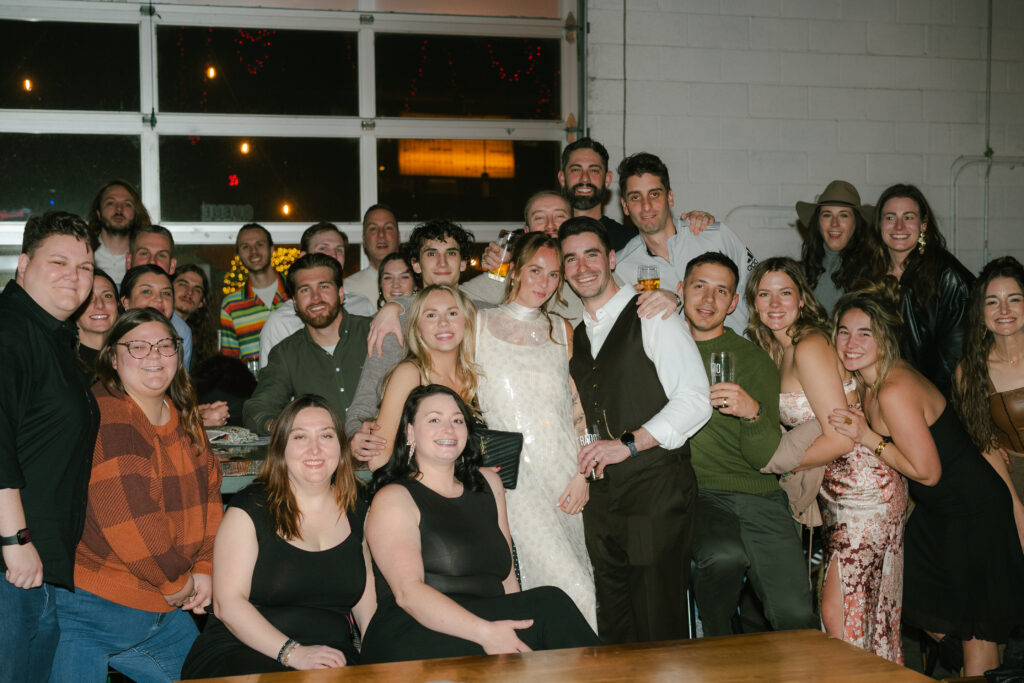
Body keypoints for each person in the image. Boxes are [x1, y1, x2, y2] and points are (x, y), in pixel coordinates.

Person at [828, 287, 1024, 676]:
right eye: (844, 332)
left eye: (865, 332)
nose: (852, 342)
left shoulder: (894, 389)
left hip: (973, 511)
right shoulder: (868, 382)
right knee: (920, 600)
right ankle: (989, 665)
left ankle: (984, 664)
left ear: (885, 336)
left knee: (973, 629)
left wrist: (868, 437)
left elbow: (928, 471)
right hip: (940, 513)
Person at [360, 385, 600, 663]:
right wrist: (486, 633)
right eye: (434, 419)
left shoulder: (488, 484)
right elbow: (408, 594)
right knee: (550, 605)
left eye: (457, 420)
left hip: (485, 620)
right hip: (414, 630)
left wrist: (515, 639)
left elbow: (508, 580)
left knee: (548, 606)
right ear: (411, 432)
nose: (448, 429)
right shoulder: (394, 497)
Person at [746, 257, 906, 663]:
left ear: (802, 299)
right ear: (753, 303)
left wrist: (776, 466)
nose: (775, 302)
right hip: (837, 493)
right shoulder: (780, 348)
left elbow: (838, 439)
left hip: (863, 489)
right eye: (765, 294)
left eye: (786, 292)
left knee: (841, 616)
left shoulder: (810, 345)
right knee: (866, 616)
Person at [49, 308, 222, 682]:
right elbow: (129, 518)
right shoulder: (110, 414)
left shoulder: (183, 414)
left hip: (160, 607)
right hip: (92, 608)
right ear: (113, 356)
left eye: (164, 345)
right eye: (138, 347)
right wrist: (179, 581)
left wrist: (206, 567)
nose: (155, 356)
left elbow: (211, 496)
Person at [560, 216, 711, 644]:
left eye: (591, 254)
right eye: (570, 259)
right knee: (614, 621)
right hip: (603, 501)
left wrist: (628, 444)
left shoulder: (653, 314)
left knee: (655, 620)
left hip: (652, 493)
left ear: (611, 258)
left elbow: (695, 399)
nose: (582, 267)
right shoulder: (579, 334)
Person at [181, 395, 375, 677]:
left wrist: (382, 663)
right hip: (242, 650)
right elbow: (227, 605)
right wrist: (295, 654)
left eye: (326, 435)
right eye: (299, 437)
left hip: (329, 656)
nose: (315, 449)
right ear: (281, 448)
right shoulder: (250, 509)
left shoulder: (358, 510)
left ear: (341, 446)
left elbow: (367, 608)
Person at [681, 252, 816, 636]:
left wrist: (753, 412)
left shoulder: (753, 360)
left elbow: (762, 457)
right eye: (699, 287)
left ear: (734, 303)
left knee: (794, 614)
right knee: (722, 557)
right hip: (700, 492)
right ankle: (719, 644)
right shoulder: (663, 348)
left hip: (760, 493)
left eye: (721, 291)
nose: (708, 300)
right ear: (681, 291)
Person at [474, 232, 597, 628]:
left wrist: (584, 473)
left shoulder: (562, 330)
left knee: (581, 583)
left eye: (554, 275)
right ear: (514, 272)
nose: (543, 283)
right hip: (513, 480)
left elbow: (579, 408)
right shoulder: (475, 325)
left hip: (564, 475)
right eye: (535, 271)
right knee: (569, 588)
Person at [0, 212, 100, 683]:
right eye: (58, 262)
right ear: (22, 265)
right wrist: (14, 541)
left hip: (39, 564)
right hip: (11, 566)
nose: (74, 276)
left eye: (85, 267)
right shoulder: (10, 331)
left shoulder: (55, 337)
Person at [613, 152, 756, 334]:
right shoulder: (621, 268)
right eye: (635, 197)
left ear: (670, 197)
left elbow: (761, 288)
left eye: (654, 194)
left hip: (743, 356)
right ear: (625, 206)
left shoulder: (715, 236)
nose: (646, 205)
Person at [244, 253, 371, 435]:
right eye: (305, 290)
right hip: (320, 458)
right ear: (295, 303)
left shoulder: (374, 332)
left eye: (324, 286)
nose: (315, 297)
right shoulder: (286, 353)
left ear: (341, 293)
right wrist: (278, 426)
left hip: (386, 456)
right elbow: (257, 408)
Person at [873, 183, 974, 397]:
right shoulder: (870, 272)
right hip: (883, 392)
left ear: (923, 225)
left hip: (932, 401)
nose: (899, 227)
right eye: (890, 217)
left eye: (908, 217)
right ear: (880, 224)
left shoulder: (949, 277)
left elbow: (954, 362)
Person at [364, 285, 478, 472]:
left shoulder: (475, 377)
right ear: (417, 327)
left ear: (466, 321)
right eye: (431, 315)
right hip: (418, 491)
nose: (443, 323)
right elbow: (378, 458)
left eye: (452, 313)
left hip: (467, 489)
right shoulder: (410, 374)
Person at [952, 256, 1024, 547]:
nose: (1004, 310)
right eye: (992, 301)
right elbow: (984, 441)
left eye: (1014, 299)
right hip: (1012, 478)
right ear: (980, 312)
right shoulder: (969, 370)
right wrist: (1015, 506)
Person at [259, 222, 375, 368]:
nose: (333, 255)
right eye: (323, 248)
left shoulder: (362, 306)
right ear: (304, 257)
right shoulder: (280, 321)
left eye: (339, 250)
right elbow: (271, 381)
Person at [795, 180, 885, 314]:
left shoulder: (873, 276)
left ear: (856, 222)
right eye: (827, 215)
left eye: (843, 215)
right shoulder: (798, 274)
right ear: (818, 223)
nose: (834, 223)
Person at [125, 224, 193, 370]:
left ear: (172, 265)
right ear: (129, 261)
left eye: (161, 255)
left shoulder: (181, 332)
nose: (152, 261)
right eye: (144, 253)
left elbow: (179, 387)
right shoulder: (104, 304)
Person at [220, 223, 289, 362]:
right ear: (238, 255)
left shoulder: (297, 292)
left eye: (260, 244)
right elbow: (229, 364)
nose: (253, 251)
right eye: (245, 247)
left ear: (271, 249)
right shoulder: (230, 305)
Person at [87, 180, 151, 285]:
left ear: (136, 214)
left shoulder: (146, 259)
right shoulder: (84, 254)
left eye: (127, 204)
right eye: (110, 203)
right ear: (98, 213)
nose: (119, 209)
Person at [343, 205, 402, 306]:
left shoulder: (418, 285)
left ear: (399, 237)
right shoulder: (347, 290)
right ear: (364, 240)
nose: (381, 234)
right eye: (373, 228)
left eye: (388, 228)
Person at [74, 268, 121, 371]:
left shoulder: (131, 356)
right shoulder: (59, 357)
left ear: (118, 305)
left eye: (107, 296)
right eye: (89, 298)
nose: (99, 305)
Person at [173, 265, 218, 367]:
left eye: (197, 290)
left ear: (201, 302)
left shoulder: (200, 343)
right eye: (183, 285)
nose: (189, 292)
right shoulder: (151, 324)